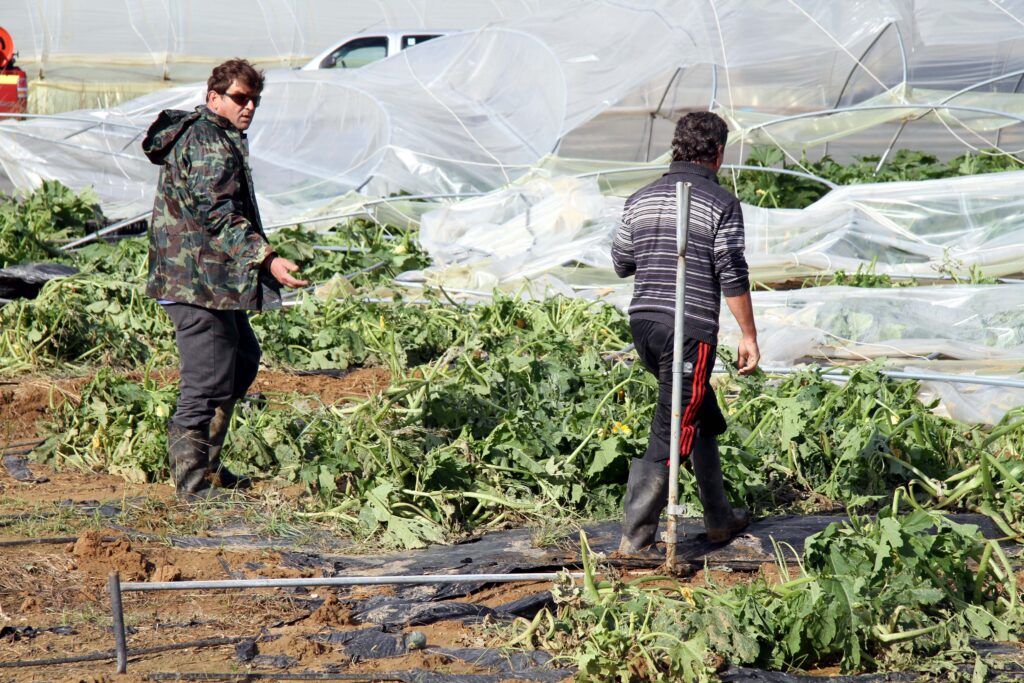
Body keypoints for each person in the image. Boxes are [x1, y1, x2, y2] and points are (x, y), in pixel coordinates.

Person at [142, 59, 308, 501]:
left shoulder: (215, 134)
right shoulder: (208, 141)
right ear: (213, 96)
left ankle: (208, 466)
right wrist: (267, 259)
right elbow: (217, 215)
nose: (249, 106)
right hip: (193, 283)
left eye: (254, 99)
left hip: (208, 279)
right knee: (205, 381)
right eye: (240, 98)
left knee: (242, 359)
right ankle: (192, 486)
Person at [611, 111, 760, 554]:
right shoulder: (721, 203)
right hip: (687, 330)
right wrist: (748, 335)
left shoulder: (640, 198)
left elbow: (621, 261)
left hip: (645, 325)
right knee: (671, 426)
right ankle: (636, 538)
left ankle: (718, 517)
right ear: (717, 153)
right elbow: (731, 270)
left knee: (698, 411)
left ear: (676, 148)